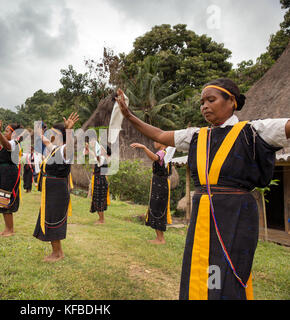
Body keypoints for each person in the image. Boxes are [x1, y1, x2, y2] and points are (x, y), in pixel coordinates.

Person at [115, 78, 290, 300]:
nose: (204, 106)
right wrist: (129, 116)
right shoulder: (197, 135)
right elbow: (159, 135)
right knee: (201, 266)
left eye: (211, 99)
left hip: (236, 213)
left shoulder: (254, 130)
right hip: (203, 212)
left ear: (232, 102)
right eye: (202, 102)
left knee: (226, 270)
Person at [33, 112, 79, 262]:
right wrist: (40, 133)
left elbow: (70, 147)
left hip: (58, 192)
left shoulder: (65, 150)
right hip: (51, 191)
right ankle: (57, 252)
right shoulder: (54, 148)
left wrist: (69, 130)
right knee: (49, 218)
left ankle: (58, 254)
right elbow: (46, 142)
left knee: (54, 220)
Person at [131, 142, 172, 244]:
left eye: (155, 140)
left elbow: (155, 157)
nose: (154, 142)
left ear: (162, 143)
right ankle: (159, 238)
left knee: (158, 208)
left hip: (160, 184)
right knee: (156, 207)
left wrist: (144, 147)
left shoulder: (163, 152)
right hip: (159, 183)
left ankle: (161, 239)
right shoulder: (164, 152)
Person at [0, 121, 23, 237]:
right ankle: (7, 228)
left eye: (7, 131)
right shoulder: (9, 143)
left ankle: (10, 229)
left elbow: (8, 146)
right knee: (2, 199)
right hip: (4, 174)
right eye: (4, 131)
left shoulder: (14, 143)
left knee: (6, 198)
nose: (5, 133)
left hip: (9, 175)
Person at [84, 140, 111, 224]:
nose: (100, 150)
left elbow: (97, 157)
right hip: (99, 180)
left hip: (100, 181)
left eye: (102, 149)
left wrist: (91, 148)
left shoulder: (103, 158)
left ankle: (101, 220)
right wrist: (89, 149)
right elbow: (95, 156)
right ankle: (100, 219)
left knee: (99, 200)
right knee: (97, 199)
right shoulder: (104, 158)